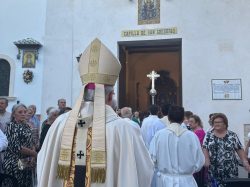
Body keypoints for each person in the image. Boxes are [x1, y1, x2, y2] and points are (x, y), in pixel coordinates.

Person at [37, 38, 154, 187]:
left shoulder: (60, 123)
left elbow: (43, 164)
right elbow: (143, 171)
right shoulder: (124, 129)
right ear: (110, 96)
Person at [149, 105, 205, 187]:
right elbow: (199, 161)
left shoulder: (159, 135)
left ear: (168, 118)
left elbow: (152, 158)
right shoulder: (192, 136)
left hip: (165, 181)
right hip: (186, 181)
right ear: (183, 119)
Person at [203, 113, 250, 187]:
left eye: (219, 122)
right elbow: (205, 147)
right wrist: (206, 158)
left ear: (225, 123)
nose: (216, 124)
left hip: (230, 169)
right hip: (214, 169)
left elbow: (239, 149)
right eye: (215, 122)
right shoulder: (209, 135)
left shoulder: (232, 135)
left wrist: (244, 161)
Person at [3, 103, 37, 187]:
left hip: (25, 161)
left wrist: (32, 157)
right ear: (14, 114)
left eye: (25, 112)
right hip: (14, 161)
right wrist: (34, 154)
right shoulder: (10, 126)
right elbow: (17, 147)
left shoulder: (27, 126)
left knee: (25, 183)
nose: (23, 114)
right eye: (20, 112)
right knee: (16, 183)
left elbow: (32, 142)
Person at [189, 114, 207, 187]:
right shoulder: (195, 132)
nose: (189, 123)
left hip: (197, 159)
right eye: (189, 121)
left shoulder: (199, 133)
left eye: (192, 122)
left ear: (197, 123)